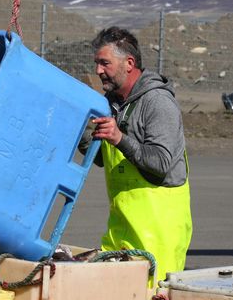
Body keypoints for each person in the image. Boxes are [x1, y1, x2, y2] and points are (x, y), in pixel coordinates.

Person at [79, 26, 192, 284]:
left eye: (104, 63)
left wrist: (119, 138)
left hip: (158, 237)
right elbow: (101, 159)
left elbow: (160, 163)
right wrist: (81, 133)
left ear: (129, 63)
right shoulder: (111, 103)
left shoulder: (158, 102)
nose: (98, 71)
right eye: (97, 63)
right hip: (120, 232)